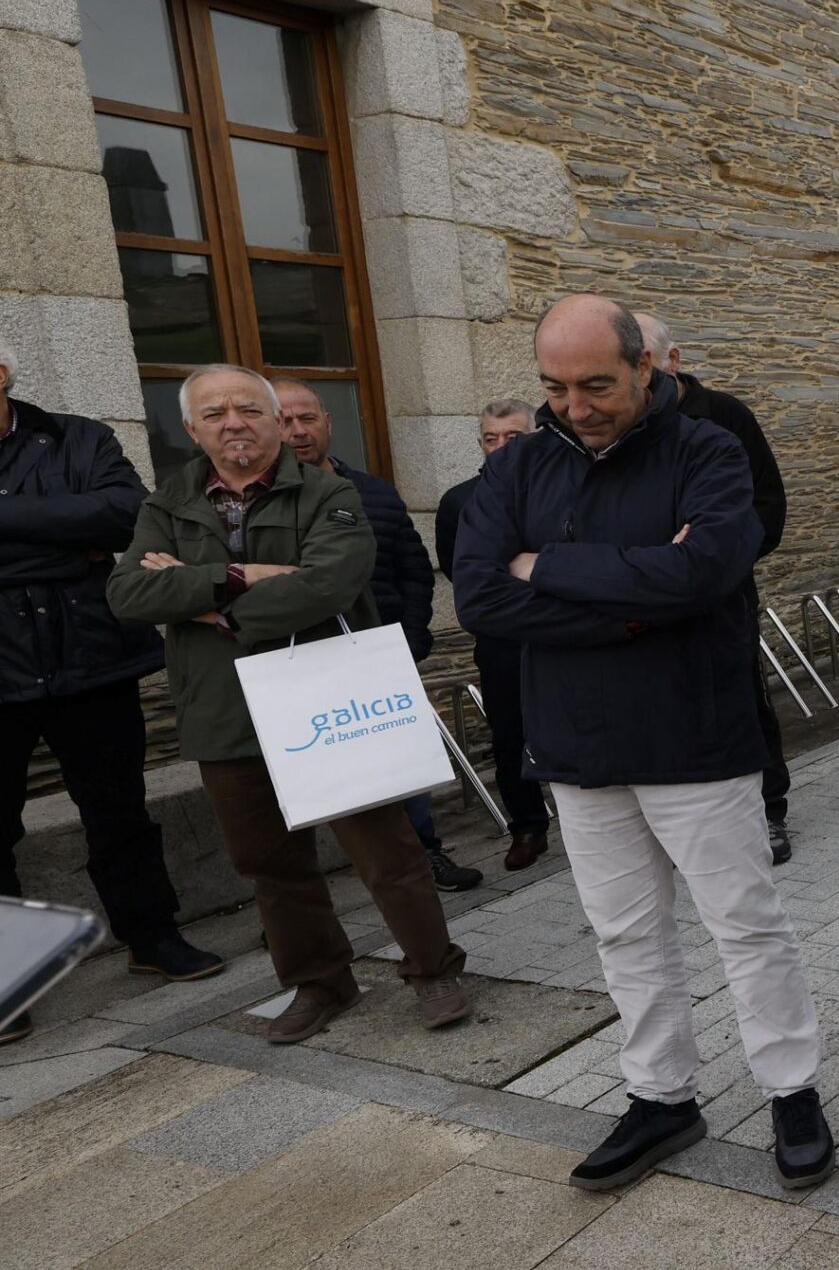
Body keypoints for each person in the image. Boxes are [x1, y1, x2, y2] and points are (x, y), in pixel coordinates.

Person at [454, 296, 834, 1194]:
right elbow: (478, 597)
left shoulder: (708, 448)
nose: (574, 406)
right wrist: (636, 605)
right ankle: (661, 1094)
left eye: (596, 385)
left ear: (646, 369)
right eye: (555, 386)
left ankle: (793, 1089)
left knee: (745, 926)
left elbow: (705, 571)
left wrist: (544, 568)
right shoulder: (517, 469)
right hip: (577, 746)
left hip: (695, 737)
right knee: (625, 934)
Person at [107, 365, 469, 1045]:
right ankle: (320, 981)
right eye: (214, 413)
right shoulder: (169, 501)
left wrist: (206, 603)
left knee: (386, 852)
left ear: (277, 420)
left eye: (249, 407)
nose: (233, 422)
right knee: (270, 863)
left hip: (325, 699)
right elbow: (129, 595)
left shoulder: (329, 492)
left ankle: (433, 969)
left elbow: (329, 583)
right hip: (225, 708)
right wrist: (243, 575)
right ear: (191, 428)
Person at [0, 343, 223, 1045]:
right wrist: (70, 542)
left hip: (91, 659)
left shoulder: (78, 436)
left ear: (3, 372)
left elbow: (126, 512)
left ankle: (151, 935)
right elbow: (90, 528)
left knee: (118, 809)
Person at [272, 378, 482, 895]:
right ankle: (304, 901)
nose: (297, 431)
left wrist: (410, 638)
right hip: (300, 665)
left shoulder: (374, 492)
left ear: (328, 422)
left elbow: (414, 569)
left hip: (381, 656)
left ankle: (424, 856)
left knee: (403, 767)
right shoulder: (260, 504)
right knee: (309, 777)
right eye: (283, 421)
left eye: (307, 419)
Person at [633, 313, 793, 863]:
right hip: (640, 597)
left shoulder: (725, 417)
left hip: (722, 595)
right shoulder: (618, 425)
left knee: (741, 696)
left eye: (643, 363)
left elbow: (767, 508)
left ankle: (770, 810)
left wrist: (714, 558)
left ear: (670, 361)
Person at [435, 399, 548, 871]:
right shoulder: (460, 502)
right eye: (490, 438)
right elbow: (461, 573)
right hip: (503, 641)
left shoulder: (566, 489)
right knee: (509, 736)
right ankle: (527, 826)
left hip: (566, 634)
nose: (501, 448)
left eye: (514, 438)